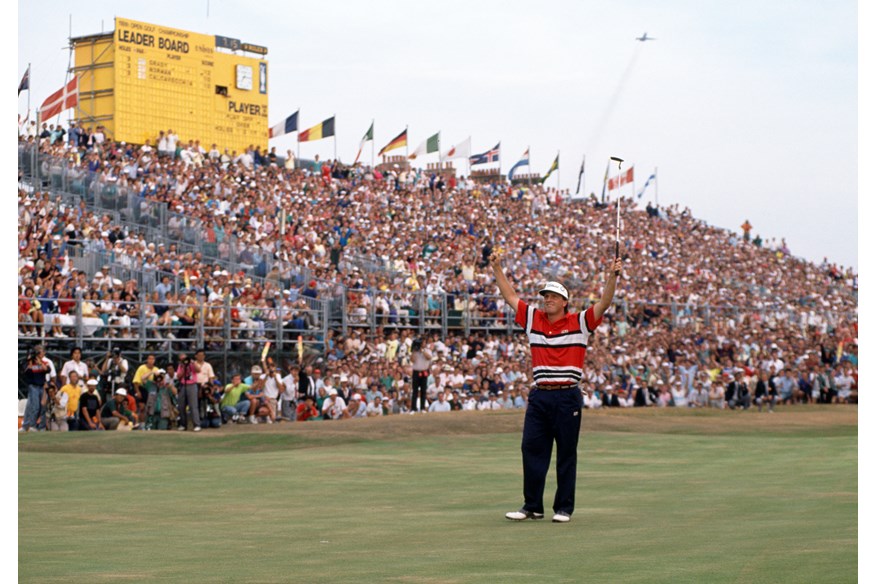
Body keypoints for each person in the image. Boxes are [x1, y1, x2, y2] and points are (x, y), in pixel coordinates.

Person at [492, 248, 622, 524]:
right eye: (545, 297)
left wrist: (612, 276)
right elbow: (510, 296)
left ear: (564, 301)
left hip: (567, 397)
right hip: (540, 396)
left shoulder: (580, 322)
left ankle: (563, 508)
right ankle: (533, 506)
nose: (547, 300)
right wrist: (497, 268)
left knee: (565, 452)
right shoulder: (533, 320)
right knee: (531, 449)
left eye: (552, 297)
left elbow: (604, 303)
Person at [20, 345, 51, 432]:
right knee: (34, 406)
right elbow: (26, 373)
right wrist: (30, 362)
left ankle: (38, 426)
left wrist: (40, 363)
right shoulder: (30, 362)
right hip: (33, 386)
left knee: (41, 407)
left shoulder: (45, 362)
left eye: (40, 351)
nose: (40, 353)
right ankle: (31, 425)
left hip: (42, 387)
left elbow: (47, 370)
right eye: (38, 351)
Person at [175, 352, 202, 431]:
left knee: (193, 405)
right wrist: (184, 367)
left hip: (192, 385)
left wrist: (192, 362)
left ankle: (197, 424)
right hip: (183, 385)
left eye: (184, 358)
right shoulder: (180, 365)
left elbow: (198, 370)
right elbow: (178, 376)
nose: (184, 360)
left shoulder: (192, 364)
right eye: (182, 359)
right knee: (181, 405)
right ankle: (183, 424)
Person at [410, 338, 431, 412]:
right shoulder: (415, 351)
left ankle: (422, 408)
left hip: (424, 371)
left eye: (424, 343)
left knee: (423, 390)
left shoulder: (427, 350)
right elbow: (412, 360)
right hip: (416, 372)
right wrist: (414, 351)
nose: (423, 344)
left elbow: (429, 357)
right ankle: (413, 408)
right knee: (415, 391)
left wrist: (422, 351)